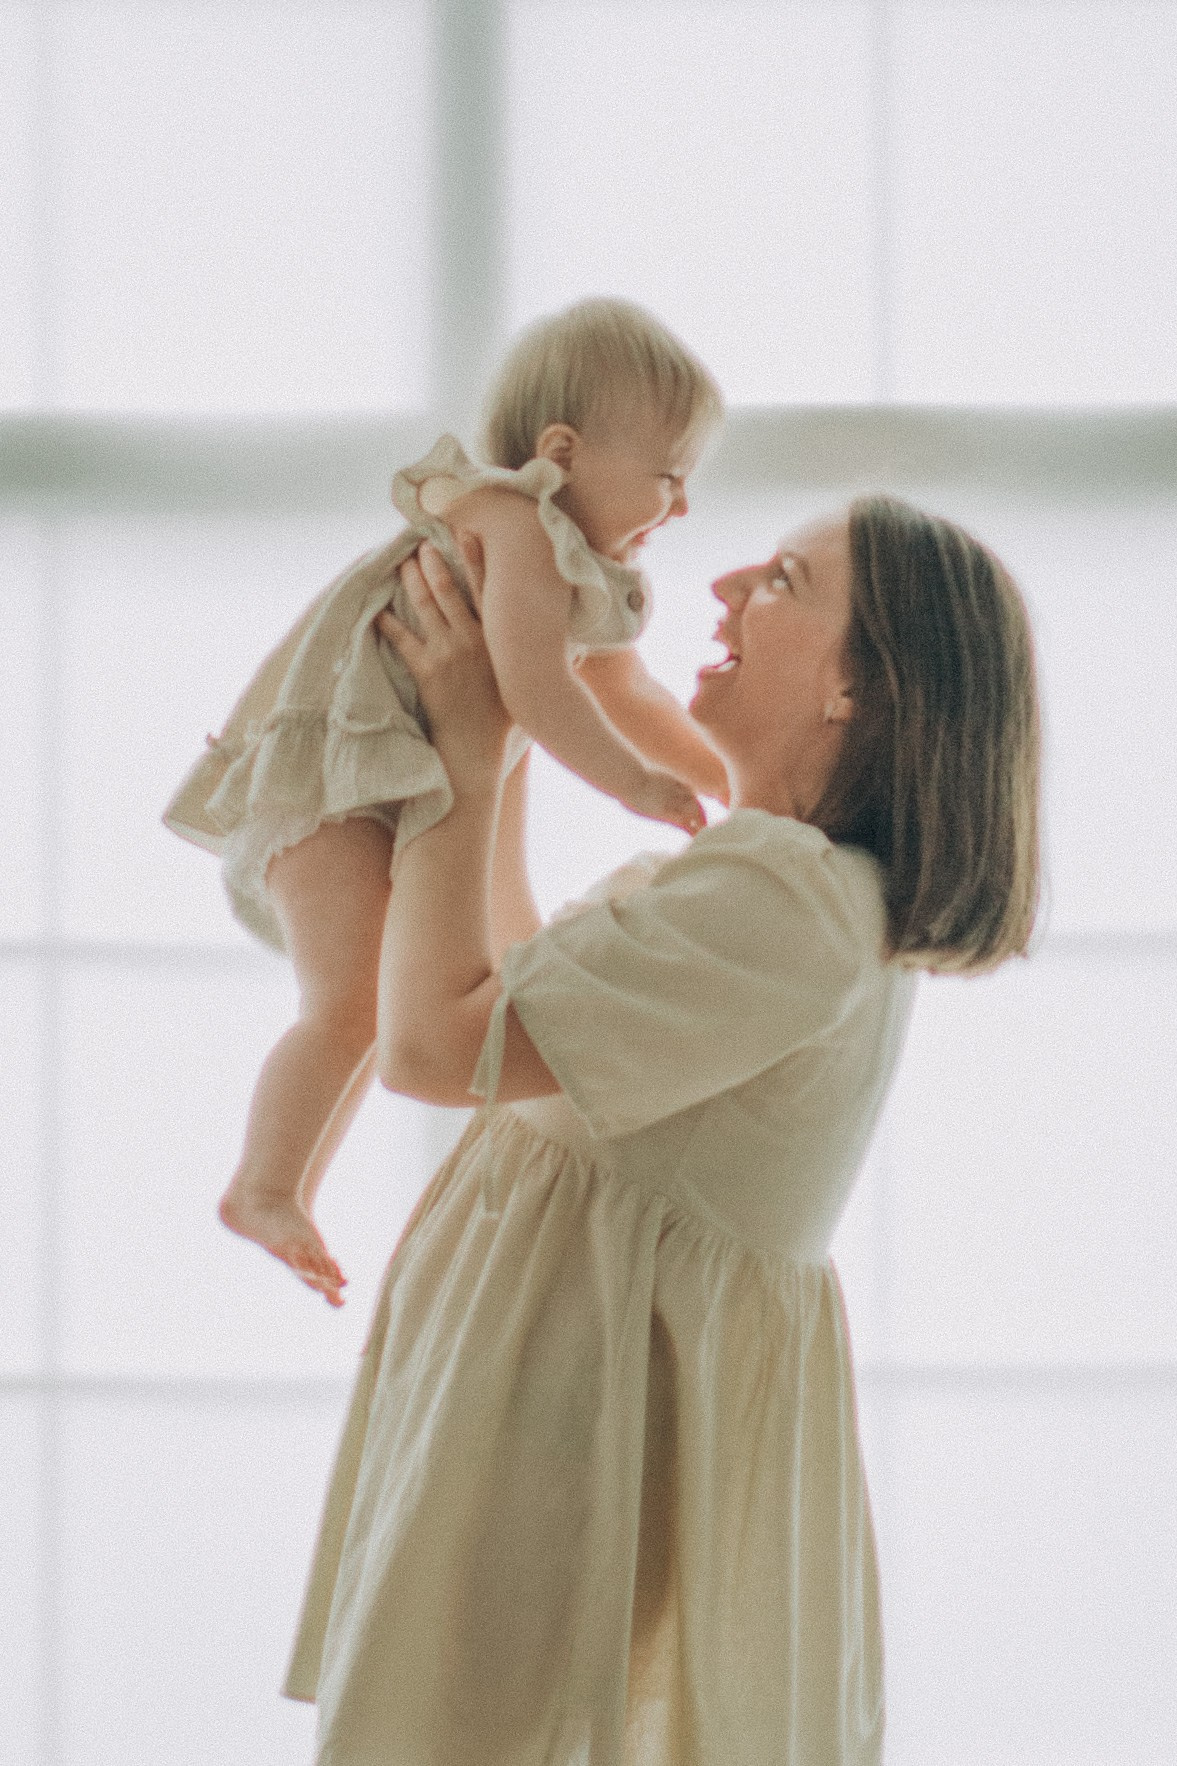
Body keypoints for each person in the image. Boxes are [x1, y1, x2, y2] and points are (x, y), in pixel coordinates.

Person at [282, 495, 1041, 1763]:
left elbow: (436, 1047)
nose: (730, 581)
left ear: (855, 686)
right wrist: (507, 729)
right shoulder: (784, 882)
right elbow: (516, 999)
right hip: (544, 1404)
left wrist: (467, 747)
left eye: (785, 579)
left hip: (560, 1427)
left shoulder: (785, 897)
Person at [162, 299, 728, 1303]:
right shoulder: (512, 522)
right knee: (351, 1007)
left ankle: (279, 1187)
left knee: (377, 1008)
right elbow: (540, 690)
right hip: (332, 787)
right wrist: (636, 783)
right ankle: (265, 1185)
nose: (680, 508)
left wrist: (730, 779)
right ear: (562, 450)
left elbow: (624, 688)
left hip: (383, 788)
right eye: (668, 476)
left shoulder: (570, 561)